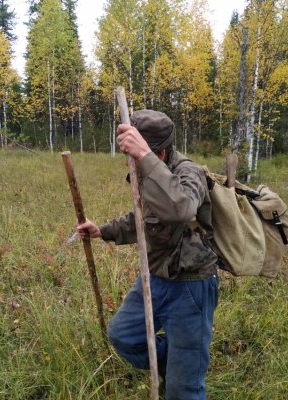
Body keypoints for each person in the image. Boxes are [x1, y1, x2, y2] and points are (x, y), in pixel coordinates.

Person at [77, 109, 219, 400]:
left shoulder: (188, 173)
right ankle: (177, 364)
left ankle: (184, 373)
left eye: (139, 156)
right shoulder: (147, 170)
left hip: (191, 285)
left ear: (162, 152)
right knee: (123, 337)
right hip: (156, 278)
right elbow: (142, 219)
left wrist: (145, 157)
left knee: (184, 391)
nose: (135, 165)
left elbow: (182, 209)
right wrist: (101, 231)